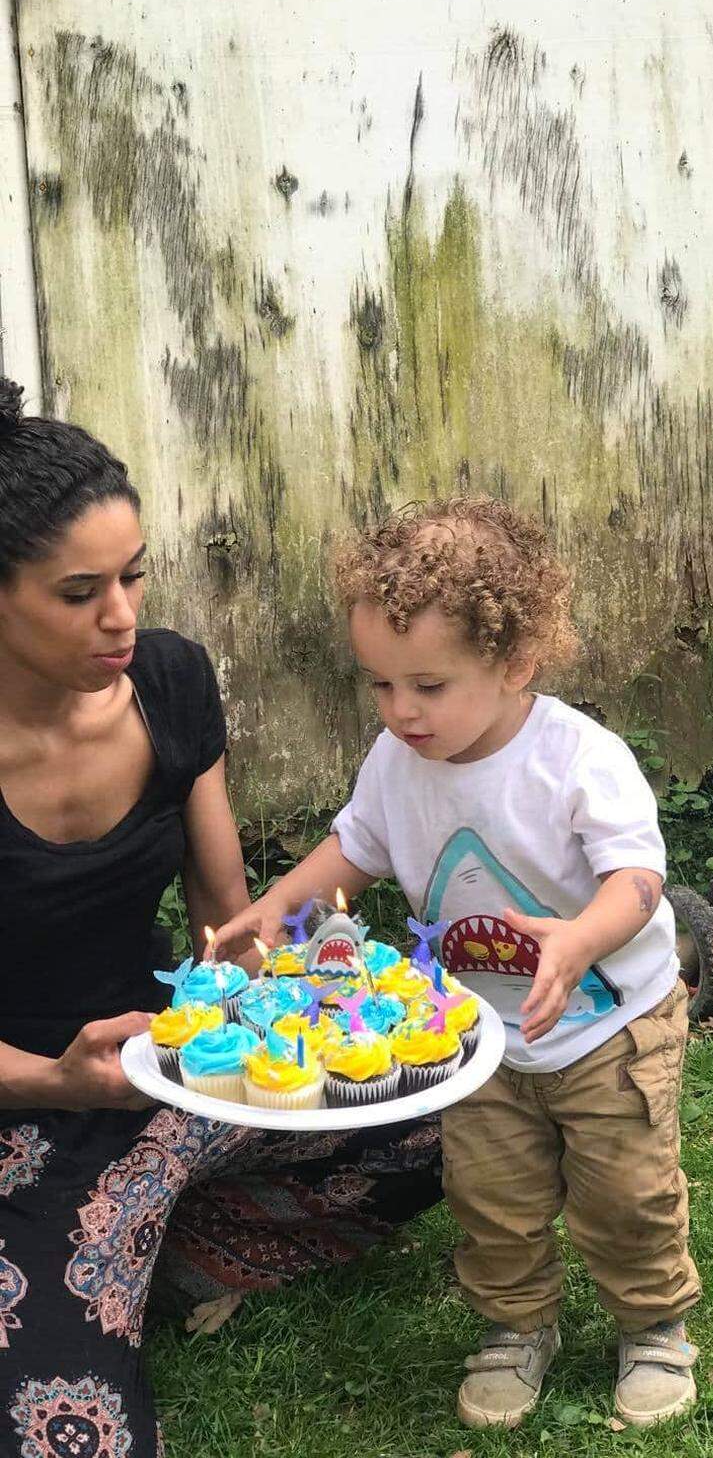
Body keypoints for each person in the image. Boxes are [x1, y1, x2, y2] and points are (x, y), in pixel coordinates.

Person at [0, 379, 440, 1458]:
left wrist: (308, 990)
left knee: (452, 1122)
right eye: (78, 591)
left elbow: (223, 916)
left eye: (134, 575)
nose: (123, 615)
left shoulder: (170, 680)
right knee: (74, 1432)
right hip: (22, 1100)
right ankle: (88, 1256)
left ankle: (138, 1245)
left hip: (172, 1060)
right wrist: (54, 1078)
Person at [214, 496, 701, 1429]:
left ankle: (653, 1326)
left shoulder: (576, 759)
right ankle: (517, 1328)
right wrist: (280, 904)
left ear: (515, 662)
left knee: (626, 1193)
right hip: (475, 1037)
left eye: (428, 686)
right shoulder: (397, 762)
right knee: (492, 1197)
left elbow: (638, 877)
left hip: (609, 1029)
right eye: (380, 685)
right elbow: (355, 847)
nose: (401, 711)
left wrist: (580, 937)